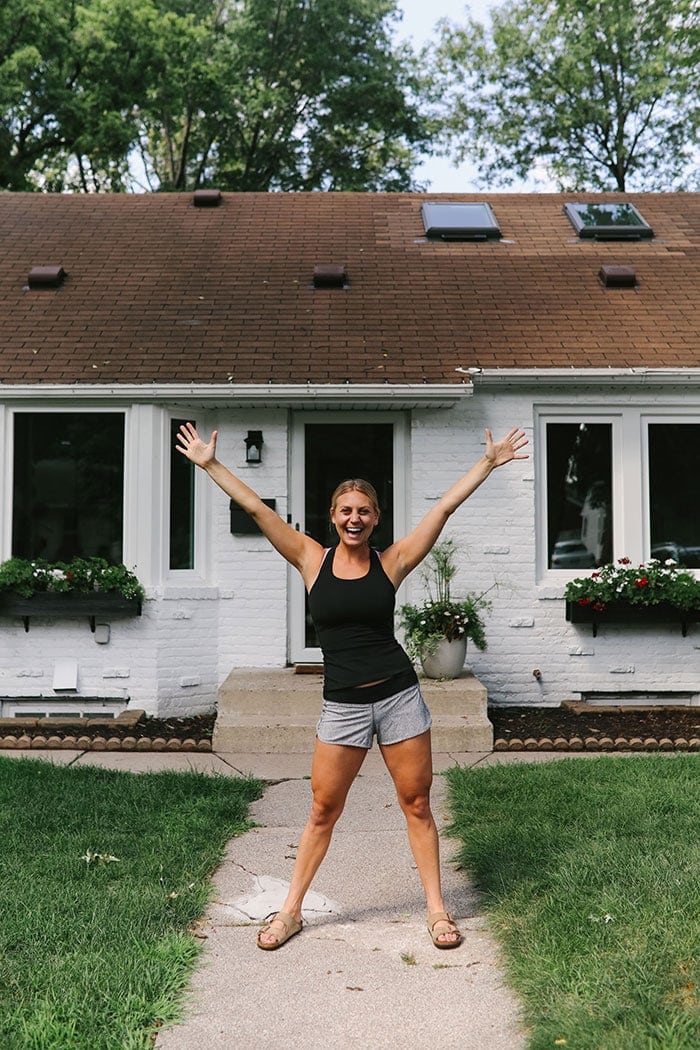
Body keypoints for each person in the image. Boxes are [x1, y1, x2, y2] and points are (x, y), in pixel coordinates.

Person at [176, 422, 528, 950]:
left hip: (399, 698)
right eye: (346, 510)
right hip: (342, 704)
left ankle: (436, 910)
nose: (354, 518)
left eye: (364, 510)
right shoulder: (309, 559)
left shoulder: (393, 563)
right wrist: (210, 464)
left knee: (416, 803)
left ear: (376, 517)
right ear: (333, 517)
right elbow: (257, 510)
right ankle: (290, 911)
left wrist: (488, 462)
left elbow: (442, 510)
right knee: (322, 809)